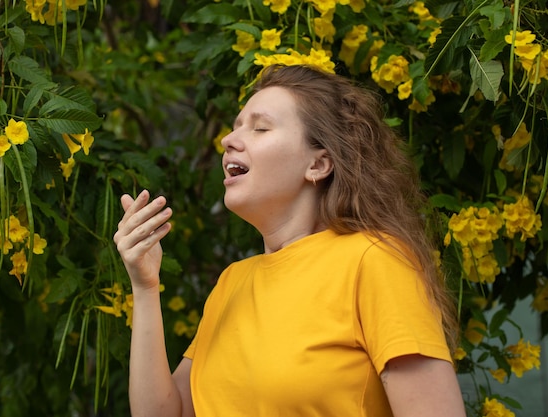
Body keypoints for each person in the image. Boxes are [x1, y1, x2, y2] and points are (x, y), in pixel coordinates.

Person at [114, 64, 467, 417]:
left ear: (319, 164)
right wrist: (145, 288)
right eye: (235, 127)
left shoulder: (374, 261)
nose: (228, 140)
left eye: (260, 128)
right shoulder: (231, 283)